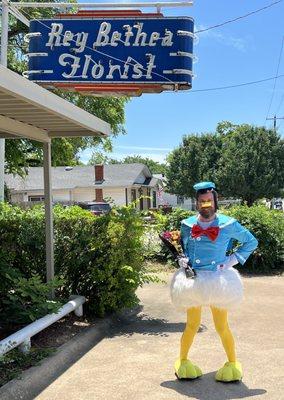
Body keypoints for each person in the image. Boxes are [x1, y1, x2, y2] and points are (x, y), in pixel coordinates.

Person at [171, 181, 258, 382]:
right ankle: (183, 362)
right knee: (192, 325)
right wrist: (181, 260)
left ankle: (233, 364)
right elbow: (181, 248)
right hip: (193, 282)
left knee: (222, 326)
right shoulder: (187, 225)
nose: (206, 205)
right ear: (196, 203)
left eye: (209, 201)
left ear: (215, 201)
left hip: (218, 282)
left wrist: (231, 261)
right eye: (202, 201)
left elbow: (251, 242)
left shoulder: (228, 224)